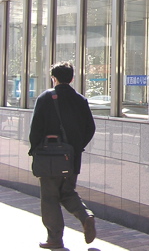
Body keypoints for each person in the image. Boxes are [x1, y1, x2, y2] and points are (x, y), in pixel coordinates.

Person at [29, 62, 97, 249]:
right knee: (67, 192)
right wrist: (75, 148)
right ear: (72, 78)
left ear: (54, 78)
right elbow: (90, 128)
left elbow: (35, 129)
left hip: (49, 158)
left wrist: (34, 150)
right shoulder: (81, 100)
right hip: (72, 158)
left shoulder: (45, 98)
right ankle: (85, 216)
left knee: (50, 197)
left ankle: (54, 239)